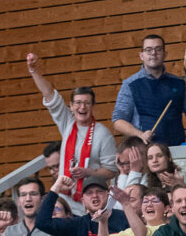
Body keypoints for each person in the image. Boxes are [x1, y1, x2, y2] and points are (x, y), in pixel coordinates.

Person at [25, 53, 118, 213]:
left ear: (93, 106)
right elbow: (49, 95)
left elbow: (112, 170)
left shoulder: (103, 134)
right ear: (71, 106)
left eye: (87, 103)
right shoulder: (68, 122)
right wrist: (34, 71)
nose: (82, 107)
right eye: (78, 103)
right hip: (64, 203)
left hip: (89, 205)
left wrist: (88, 172)